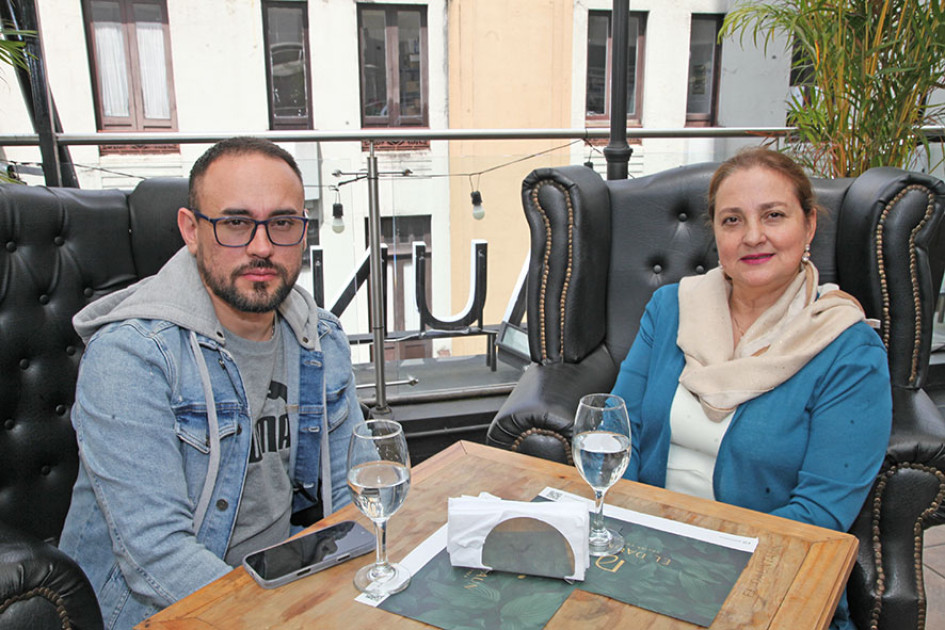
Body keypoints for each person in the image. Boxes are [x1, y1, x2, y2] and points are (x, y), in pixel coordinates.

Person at [58, 137, 363, 628]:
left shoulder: (320, 340)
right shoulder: (131, 355)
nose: (261, 247)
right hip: (154, 611)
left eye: (282, 223)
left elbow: (358, 489)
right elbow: (155, 557)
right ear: (191, 230)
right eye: (236, 223)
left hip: (278, 587)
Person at [611, 147, 891, 630]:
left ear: (809, 226)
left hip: (766, 581)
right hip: (641, 554)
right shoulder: (670, 309)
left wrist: (691, 567)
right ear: (716, 234)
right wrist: (635, 543)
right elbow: (622, 432)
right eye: (732, 220)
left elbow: (820, 514)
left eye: (774, 215)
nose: (753, 236)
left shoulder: (848, 349)